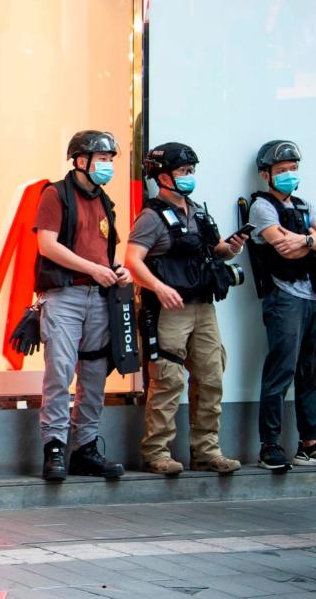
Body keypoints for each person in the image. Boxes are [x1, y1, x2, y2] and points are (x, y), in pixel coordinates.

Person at [125, 143, 245, 476]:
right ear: (162, 177)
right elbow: (132, 262)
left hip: (203, 307)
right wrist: (160, 288)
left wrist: (230, 248)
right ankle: (157, 452)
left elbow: (213, 252)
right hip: (169, 309)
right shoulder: (151, 217)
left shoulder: (199, 212)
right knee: (168, 380)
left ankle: (207, 452)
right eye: (183, 171)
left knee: (211, 377)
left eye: (192, 171)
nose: (189, 177)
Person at [33, 130, 131, 483]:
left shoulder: (105, 201)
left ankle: (86, 447)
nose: (107, 167)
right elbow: (47, 245)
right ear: (80, 160)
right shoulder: (55, 194)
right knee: (59, 371)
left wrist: (116, 268)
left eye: (109, 161)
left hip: (99, 297)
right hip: (65, 295)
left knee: (93, 374)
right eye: (101, 159)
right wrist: (92, 269)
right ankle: (55, 447)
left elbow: (104, 250)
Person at [246, 139, 316, 471]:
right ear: (266, 174)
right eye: (282, 170)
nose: (289, 175)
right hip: (284, 298)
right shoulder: (261, 207)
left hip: (311, 296)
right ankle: (270, 444)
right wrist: (309, 242)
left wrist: (304, 240)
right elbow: (284, 249)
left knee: (311, 372)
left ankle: (309, 443)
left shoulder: (303, 205)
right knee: (281, 371)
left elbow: (296, 244)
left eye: (293, 169)